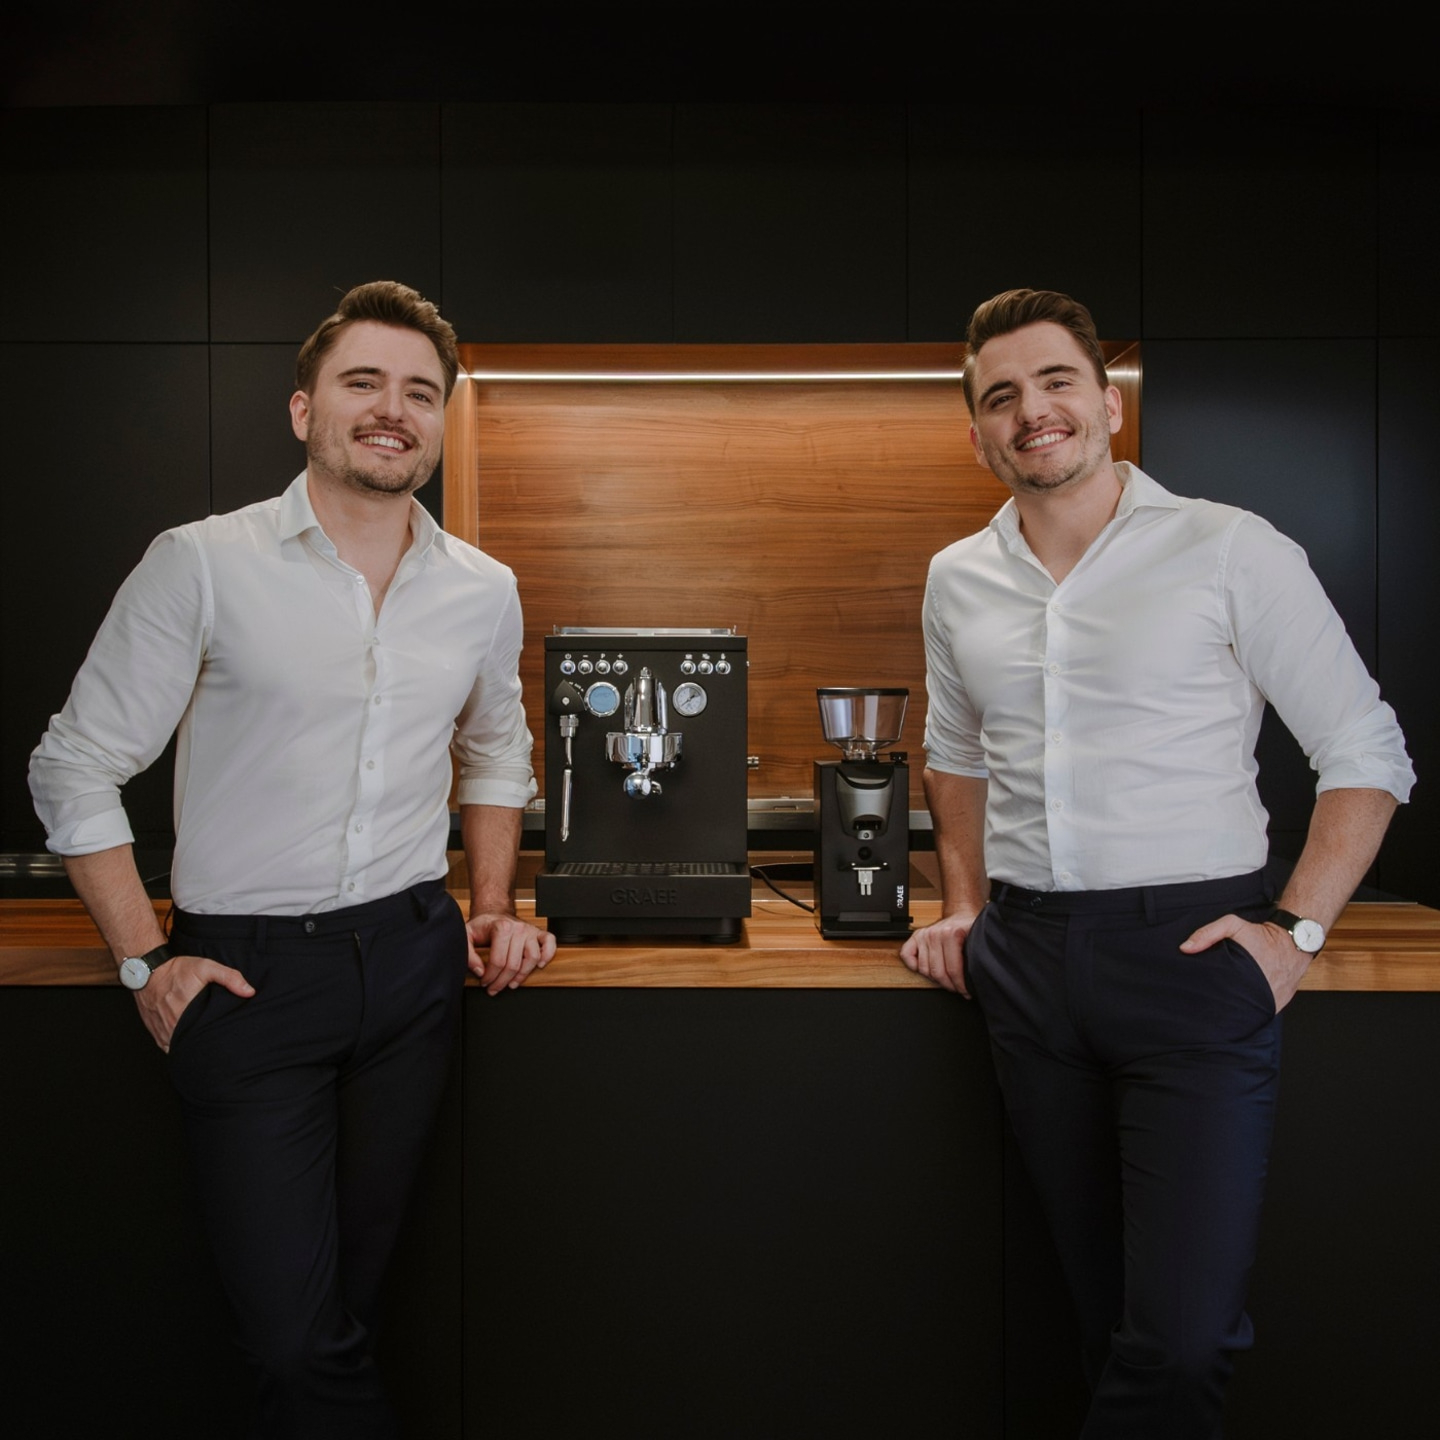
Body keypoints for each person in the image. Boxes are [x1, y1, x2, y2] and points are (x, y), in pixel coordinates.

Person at [29, 279, 556, 1438]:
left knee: (349, 1309)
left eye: (420, 392)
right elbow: (73, 765)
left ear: (441, 421)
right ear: (304, 409)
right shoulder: (202, 563)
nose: (392, 410)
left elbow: (497, 753)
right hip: (249, 981)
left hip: (414, 967)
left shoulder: (482, 590)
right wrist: (142, 959)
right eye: (363, 383)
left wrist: (493, 903)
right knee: (291, 1335)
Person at [899, 288, 1414, 1438]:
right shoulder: (956, 576)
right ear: (977, 435)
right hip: (1027, 966)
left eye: (1056, 382)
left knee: (1183, 1342)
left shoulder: (1229, 548)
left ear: (1108, 403)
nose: (1033, 412)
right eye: (1002, 397)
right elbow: (953, 756)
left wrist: (1296, 933)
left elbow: (1367, 753)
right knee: (1104, 1321)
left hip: (1192, 959)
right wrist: (965, 906)